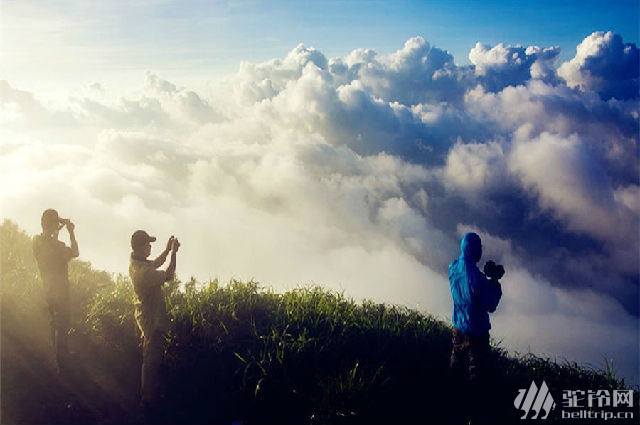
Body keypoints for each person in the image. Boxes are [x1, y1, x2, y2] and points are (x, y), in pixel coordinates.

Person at [129, 229, 180, 413]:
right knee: (151, 359)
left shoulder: (136, 262)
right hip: (152, 319)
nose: (150, 246)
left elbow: (155, 264)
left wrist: (166, 251)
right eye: (148, 244)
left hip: (145, 316)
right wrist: (174, 254)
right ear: (141, 247)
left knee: (150, 356)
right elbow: (168, 275)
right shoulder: (143, 274)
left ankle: (149, 395)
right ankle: (148, 400)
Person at [448, 232, 503, 383]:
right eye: (480, 248)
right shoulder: (477, 279)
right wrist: (494, 282)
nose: (481, 251)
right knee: (477, 375)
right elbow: (490, 304)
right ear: (476, 250)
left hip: (458, 329)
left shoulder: (452, 268)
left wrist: (486, 279)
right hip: (476, 334)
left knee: (456, 369)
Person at [32, 209, 80, 372]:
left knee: (54, 322)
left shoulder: (36, 242)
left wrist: (56, 228)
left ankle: (58, 356)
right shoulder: (58, 246)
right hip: (61, 289)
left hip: (47, 288)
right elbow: (75, 252)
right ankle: (62, 361)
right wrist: (71, 232)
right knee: (62, 323)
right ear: (53, 225)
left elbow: (48, 243)